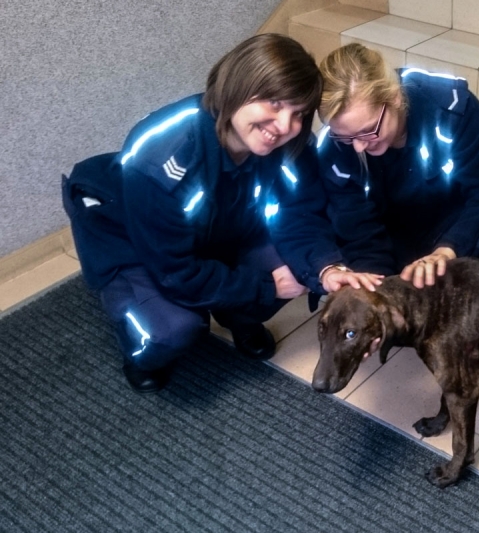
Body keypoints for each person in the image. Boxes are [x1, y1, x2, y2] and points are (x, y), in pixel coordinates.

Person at [61, 34, 376, 394]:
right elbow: (176, 273)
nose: (284, 125)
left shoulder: (289, 144)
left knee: (296, 265)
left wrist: (325, 268)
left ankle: (236, 315)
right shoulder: (161, 157)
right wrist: (264, 286)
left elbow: (300, 214)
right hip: (130, 236)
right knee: (176, 328)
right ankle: (141, 347)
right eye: (274, 102)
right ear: (239, 85)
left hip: (216, 230)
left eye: (298, 113)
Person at [315, 43, 479, 289]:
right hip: (393, 238)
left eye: (368, 131)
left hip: (457, 222)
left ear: (395, 97)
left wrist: (448, 251)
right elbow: (359, 233)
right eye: (346, 137)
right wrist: (380, 290)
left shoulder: (452, 109)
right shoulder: (333, 148)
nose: (358, 146)